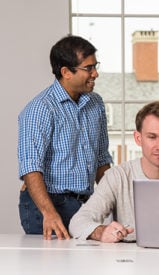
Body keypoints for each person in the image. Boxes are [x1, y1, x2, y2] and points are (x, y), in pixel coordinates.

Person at [18, 35, 113, 240]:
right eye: (88, 68)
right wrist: (49, 213)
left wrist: (116, 204)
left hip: (86, 205)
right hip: (47, 205)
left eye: (95, 66)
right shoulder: (40, 109)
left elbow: (101, 160)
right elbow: (30, 168)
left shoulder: (95, 104)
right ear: (66, 72)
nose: (95, 73)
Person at [69, 101, 159, 243]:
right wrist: (101, 231)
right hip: (129, 258)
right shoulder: (118, 176)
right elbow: (77, 222)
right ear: (138, 138)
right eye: (152, 137)